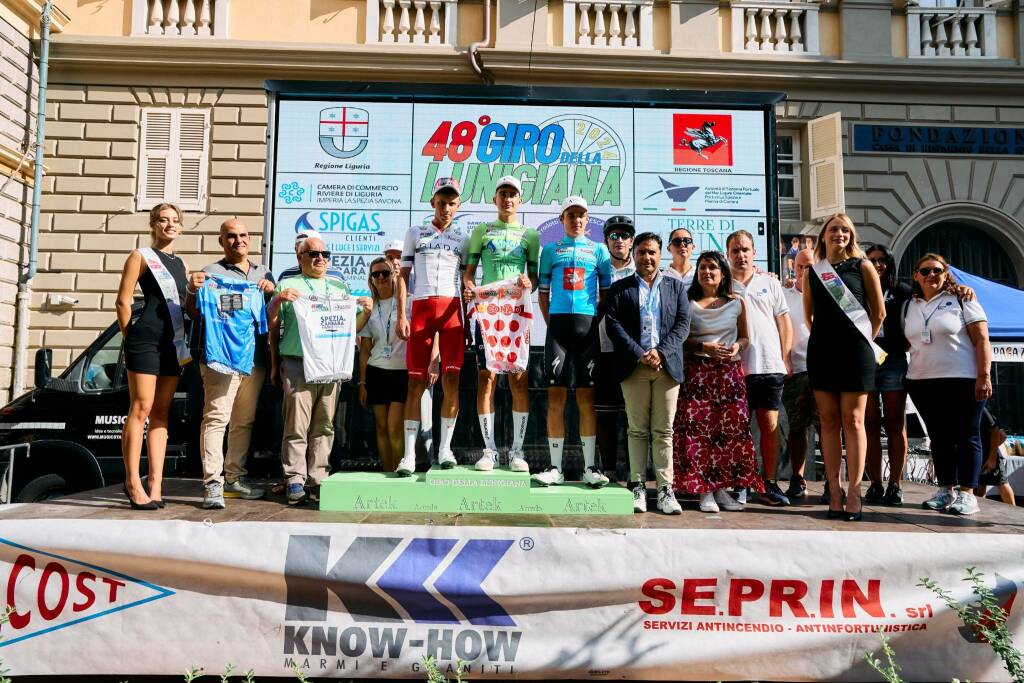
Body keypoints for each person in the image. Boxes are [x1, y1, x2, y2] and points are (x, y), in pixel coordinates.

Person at [269, 236, 370, 504]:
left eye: (325, 253)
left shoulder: (338, 287)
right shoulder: (287, 284)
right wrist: (278, 300)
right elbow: (270, 322)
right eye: (312, 253)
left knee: (325, 424)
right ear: (299, 258)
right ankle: (294, 479)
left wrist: (366, 313)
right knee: (296, 425)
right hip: (297, 362)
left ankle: (319, 479)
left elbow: (351, 330)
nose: (320, 258)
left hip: (330, 364)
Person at [187, 219, 275, 509]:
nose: (238, 240)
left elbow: (271, 316)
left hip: (256, 358)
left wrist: (269, 292)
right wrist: (192, 289)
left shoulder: (263, 272)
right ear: (221, 241)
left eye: (243, 235)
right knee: (216, 418)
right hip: (220, 357)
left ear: (250, 239)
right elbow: (195, 312)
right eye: (231, 236)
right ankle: (213, 483)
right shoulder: (210, 273)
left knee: (243, 422)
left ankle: (234, 479)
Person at [804, 214, 885, 522]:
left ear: (852, 236)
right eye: (833, 229)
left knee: (853, 420)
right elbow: (808, 316)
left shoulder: (863, 266)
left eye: (845, 230)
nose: (839, 233)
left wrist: (860, 341)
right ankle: (833, 490)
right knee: (827, 421)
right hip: (823, 351)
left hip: (856, 352)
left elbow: (878, 313)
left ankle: (854, 491)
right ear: (823, 236)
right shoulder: (813, 272)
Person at [604, 233, 689, 514]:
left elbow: (682, 325)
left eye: (652, 252)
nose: (647, 258)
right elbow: (613, 325)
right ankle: (637, 486)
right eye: (641, 252)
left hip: (666, 368)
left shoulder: (676, 288)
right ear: (634, 255)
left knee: (663, 431)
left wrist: (660, 351)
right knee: (637, 430)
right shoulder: (621, 288)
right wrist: (640, 353)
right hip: (634, 367)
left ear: (660, 254)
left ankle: (665, 490)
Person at [115, 203, 192, 510]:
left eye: (175, 221)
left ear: (181, 228)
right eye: (163, 220)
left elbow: (187, 306)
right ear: (153, 224)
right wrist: (129, 337)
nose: (169, 225)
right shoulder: (140, 256)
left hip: (172, 343)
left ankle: (155, 485)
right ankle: (132, 481)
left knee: (161, 413)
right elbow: (123, 301)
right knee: (141, 408)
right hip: (144, 340)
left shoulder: (182, 264)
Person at [903, 252, 992, 516]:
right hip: (922, 380)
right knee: (939, 437)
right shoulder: (910, 305)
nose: (932, 275)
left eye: (938, 270)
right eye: (926, 271)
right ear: (916, 276)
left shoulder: (963, 299)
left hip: (963, 378)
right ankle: (945, 489)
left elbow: (982, 340)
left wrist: (984, 376)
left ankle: (967, 493)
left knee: (967, 436)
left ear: (946, 273)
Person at [461, 176, 539, 472]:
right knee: (487, 378)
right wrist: (469, 287)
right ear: (495, 199)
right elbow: (469, 275)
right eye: (503, 193)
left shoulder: (530, 235)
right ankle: (489, 450)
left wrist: (528, 281)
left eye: (513, 194)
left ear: (520, 201)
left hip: (516, 312)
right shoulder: (482, 231)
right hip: (488, 310)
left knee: (518, 378)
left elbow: (534, 278)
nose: (508, 199)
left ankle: (517, 451)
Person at [395, 177, 472, 475]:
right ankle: (409, 456)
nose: (447, 207)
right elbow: (403, 276)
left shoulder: (463, 239)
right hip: (423, 310)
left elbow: (467, 280)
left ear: (458, 205)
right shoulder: (416, 233)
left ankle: (445, 449)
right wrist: (402, 315)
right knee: (415, 383)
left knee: (451, 381)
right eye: (442, 202)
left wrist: (471, 305)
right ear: (433, 203)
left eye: (452, 202)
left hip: (452, 311)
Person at [674, 251, 760, 512]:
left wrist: (737, 347)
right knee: (700, 434)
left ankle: (722, 490)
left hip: (729, 375)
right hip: (697, 374)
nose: (707, 272)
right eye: (702, 268)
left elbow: (746, 337)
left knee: (728, 435)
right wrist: (703, 346)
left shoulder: (737, 302)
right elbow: (678, 338)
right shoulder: (686, 301)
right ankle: (704, 492)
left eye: (713, 267)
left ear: (723, 272)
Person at [536, 195, 613, 487]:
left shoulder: (599, 251)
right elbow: (543, 294)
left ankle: (590, 467)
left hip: (588, 331)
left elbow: (604, 293)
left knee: (586, 400)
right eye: (571, 215)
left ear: (587, 219)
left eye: (581, 215)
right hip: (558, 330)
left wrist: (593, 319)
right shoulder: (549, 250)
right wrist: (551, 321)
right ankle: (554, 468)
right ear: (562, 219)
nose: (577, 220)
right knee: (555, 399)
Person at [726, 229, 793, 505]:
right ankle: (739, 482)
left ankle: (769, 483)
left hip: (769, 365)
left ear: (754, 252)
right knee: (737, 429)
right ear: (727, 255)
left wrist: (786, 357)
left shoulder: (770, 283)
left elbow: (784, 322)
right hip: (735, 368)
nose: (740, 255)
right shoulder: (723, 285)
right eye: (735, 251)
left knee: (770, 425)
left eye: (745, 250)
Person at [863, 244, 912, 507]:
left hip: (893, 361)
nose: (878, 264)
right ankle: (875, 484)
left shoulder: (902, 291)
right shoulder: (858, 288)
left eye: (882, 260)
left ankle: (895, 484)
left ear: (890, 264)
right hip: (866, 362)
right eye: (872, 260)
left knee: (895, 423)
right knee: (869, 424)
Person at [594, 215, 636, 482]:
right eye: (613, 236)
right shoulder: (597, 268)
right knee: (605, 414)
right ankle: (608, 470)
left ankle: (636, 475)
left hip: (634, 352)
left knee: (634, 419)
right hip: (603, 349)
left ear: (632, 241)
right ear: (606, 241)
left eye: (624, 235)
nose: (619, 240)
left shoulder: (643, 268)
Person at [358, 257, 408, 473]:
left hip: (401, 372)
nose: (380, 278)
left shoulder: (406, 302)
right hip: (376, 371)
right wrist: (362, 382)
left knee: (394, 426)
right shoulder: (370, 307)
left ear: (393, 276)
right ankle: (387, 472)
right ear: (371, 279)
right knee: (380, 427)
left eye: (385, 273)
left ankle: (400, 472)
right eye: (375, 274)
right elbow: (365, 350)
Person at [781, 248, 817, 500]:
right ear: (794, 267)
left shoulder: (830, 294)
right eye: (801, 266)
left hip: (824, 370)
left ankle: (832, 484)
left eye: (810, 266)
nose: (805, 271)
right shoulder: (784, 294)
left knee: (828, 428)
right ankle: (798, 477)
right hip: (795, 370)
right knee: (796, 428)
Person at [976, 408, 1015, 506]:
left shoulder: (983, 411)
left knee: (1001, 483)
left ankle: (1016, 512)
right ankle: (980, 511)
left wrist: (992, 456)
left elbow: (1002, 435)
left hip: (991, 457)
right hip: (980, 457)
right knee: (981, 485)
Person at [278, 229, 346, 283]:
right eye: (298, 248)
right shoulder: (286, 275)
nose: (300, 251)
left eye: (313, 252)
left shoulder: (337, 275)